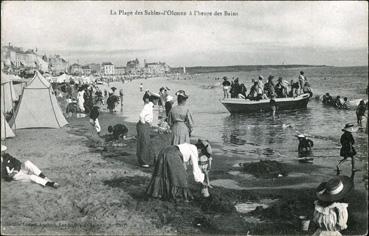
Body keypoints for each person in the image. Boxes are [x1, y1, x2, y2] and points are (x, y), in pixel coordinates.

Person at [146, 139, 212, 201]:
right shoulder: (194, 149)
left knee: (164, 172)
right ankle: (178, 196)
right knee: (181, 177)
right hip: (172, 155)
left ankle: (158, 193)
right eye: (201, 153)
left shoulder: (188, 145)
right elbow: (195, 167)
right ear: (200, 149)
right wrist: (201, 180)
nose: (200, 154)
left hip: (165, 150)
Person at [136, 91, 160, 168]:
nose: (157, 101)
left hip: (145, 125)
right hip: (143, 125)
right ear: (153, 100)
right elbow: (141, 115)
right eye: (157, 100)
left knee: (146, 142)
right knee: (144, 143)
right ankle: (144, 161)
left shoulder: (149, 106)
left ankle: (147, 160)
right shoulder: (148, 106)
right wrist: (144, 123)